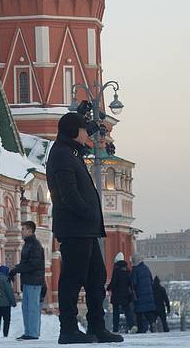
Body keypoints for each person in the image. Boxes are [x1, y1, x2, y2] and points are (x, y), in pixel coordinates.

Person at [46, 111, 122, 345]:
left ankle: (97, 327)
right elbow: (67, 194)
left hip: (85, 229)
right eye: (82, 130)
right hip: (75, 228)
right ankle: (68, 329)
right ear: (73, 131)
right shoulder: (61, 155)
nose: (85, 134)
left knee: (95, 278)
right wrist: (88, 212)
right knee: (72, 278)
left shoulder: (71, 153)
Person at [9, 221, 44, 341]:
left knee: (33, 307)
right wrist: (16, 268)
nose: (21, 231)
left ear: (30, 230)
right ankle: (28, 331)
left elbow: (34, 264)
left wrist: (17, 269)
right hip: (28, 280)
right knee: (26, 307)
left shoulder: (35, 245)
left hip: (34, 280)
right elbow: (26, 263)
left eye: (23, 229)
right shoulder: (28, 244)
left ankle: (33, 333)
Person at [106, 257, 131, 333]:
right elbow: (130, 283)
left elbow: (113, 283)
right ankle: (131, 326)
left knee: (116, 313)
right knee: (127, 311)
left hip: (116, 295)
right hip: (125, 295)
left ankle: (115, 329)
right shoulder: (127, 272)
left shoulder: (116, 271)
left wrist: (108, 288)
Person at [129, 257, 154, 334]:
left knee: (139, 312)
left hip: (139, 294)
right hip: (148, 294)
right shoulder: (146, 268)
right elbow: (151, 279)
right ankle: (152, 324)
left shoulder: (135, 270)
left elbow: (134, 282)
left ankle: (140, 329)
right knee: (147, 312)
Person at [0, 268, 16, 338]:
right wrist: (13, 302)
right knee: (6, 320)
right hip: (5, 304)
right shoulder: (5, 279)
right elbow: (9, 291)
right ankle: (5, 334)